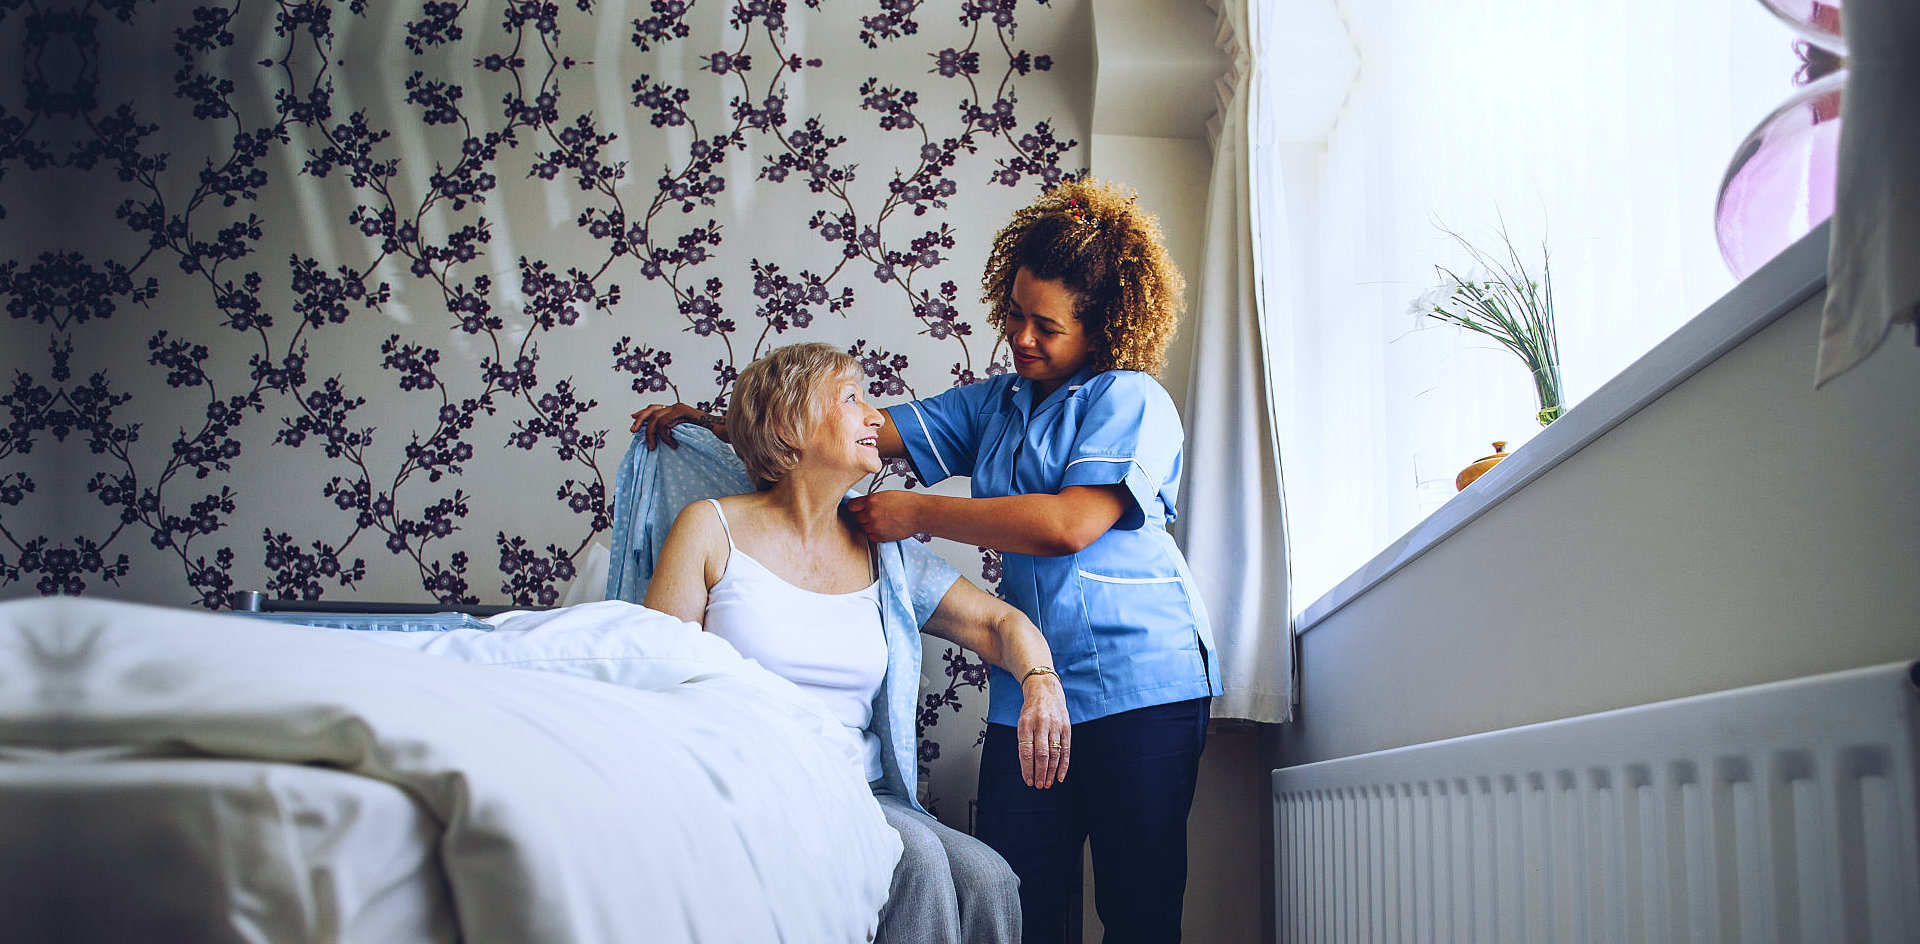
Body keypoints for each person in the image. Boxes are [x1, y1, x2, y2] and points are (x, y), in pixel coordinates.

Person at [633, 178, 1220, 943]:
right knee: (1014, 892)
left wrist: (918, 512)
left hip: (1141, 679)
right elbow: (841, 430)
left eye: (1046, 325)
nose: (1022, 336)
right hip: (1026, 686)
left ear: (1101, 327)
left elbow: (1072, 523)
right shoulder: (997, 404)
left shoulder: (1131, 400)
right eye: (1014, 313)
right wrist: (719, 423)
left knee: (1138, 909)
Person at [641, 342, 1072, 944]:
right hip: (754, 788)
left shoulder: (883, 551)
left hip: (860, 791)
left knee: (991, 878)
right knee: (915, 859)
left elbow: (1000, 625)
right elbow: (653, 675)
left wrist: (1040, 681)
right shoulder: (709, 527)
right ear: (791, 423)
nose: (876, 417)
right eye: (853, 398)